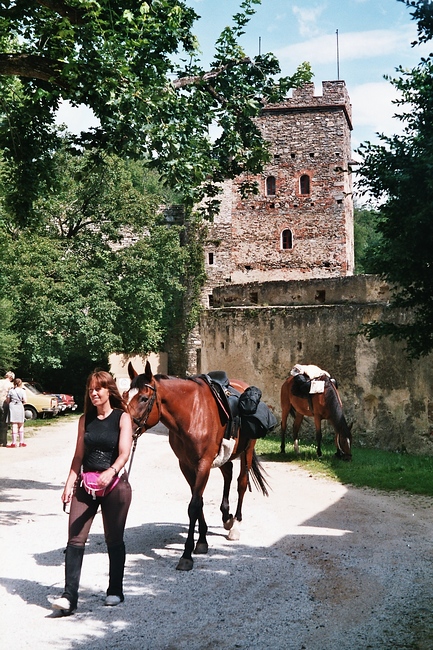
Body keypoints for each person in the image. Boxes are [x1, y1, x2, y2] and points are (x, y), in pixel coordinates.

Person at [52, 370, 133, 615]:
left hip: (114, 485)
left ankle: (115, 590)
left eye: (98, 388)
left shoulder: (122, 418)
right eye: (91, 389)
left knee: (114, 539)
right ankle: (69, 597)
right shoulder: (84, 420)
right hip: (86, 484)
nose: (94, 393)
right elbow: (79, 455)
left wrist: (112, 470)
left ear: (109, 390)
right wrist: (69, 483)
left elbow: (124, 452)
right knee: (75, 538)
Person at [7, 377, 26, 448]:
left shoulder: (11, 391)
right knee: (21, 425)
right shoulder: (23, 391)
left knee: (14, 425)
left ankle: (14, 443)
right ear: (21, 383)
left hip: (12, 407)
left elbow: (8, 400)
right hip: (19, 406)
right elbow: (25, 400)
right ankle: (21, 442)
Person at [0, 371, 15, 446]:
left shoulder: (0, 382)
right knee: (4, 422)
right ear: (11, 377)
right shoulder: (10, 385)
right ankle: (3, 441)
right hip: (4, 403)